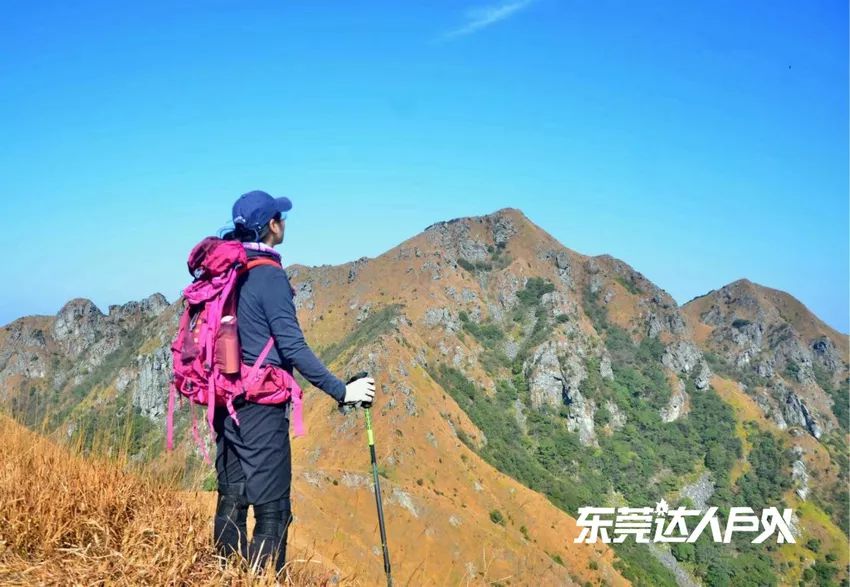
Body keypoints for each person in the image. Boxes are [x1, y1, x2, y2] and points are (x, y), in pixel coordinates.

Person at [213, 189, 376, 574]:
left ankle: (220, 575)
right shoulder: (268, 277)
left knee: (232, 498)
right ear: (272, 225)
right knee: (273, 514)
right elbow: (294, 348)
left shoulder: (230, 272)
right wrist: (343, 391)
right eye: (281, 218)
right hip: (260, 408)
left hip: (226, 402)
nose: (285, 222)